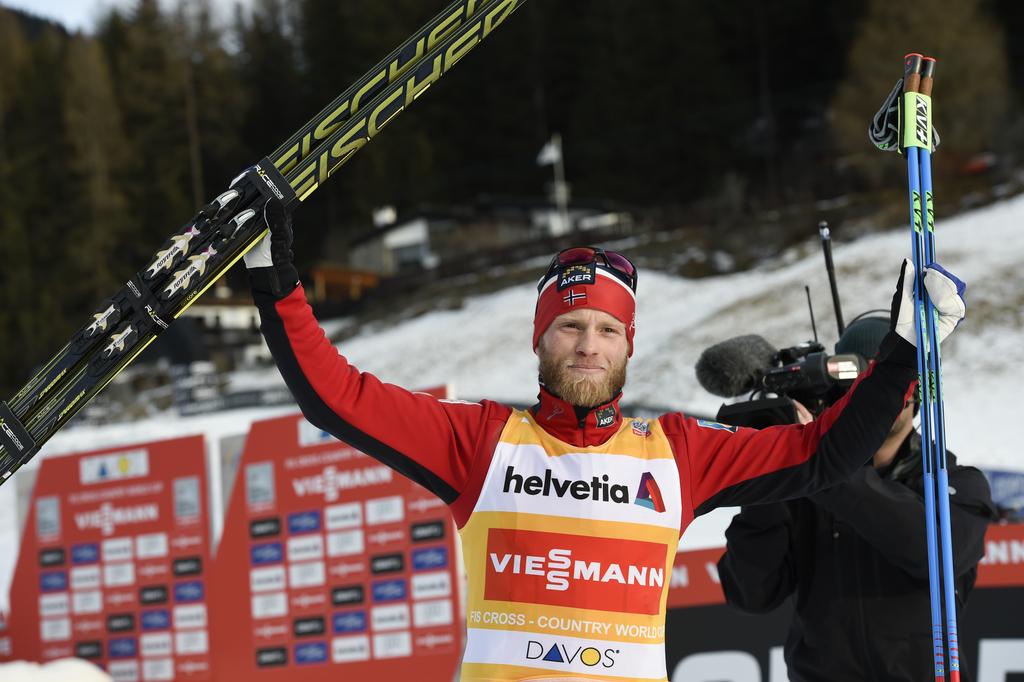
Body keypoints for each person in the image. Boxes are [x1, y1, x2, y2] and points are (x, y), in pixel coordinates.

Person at [243, 199, 967, 682]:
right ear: (541, 339)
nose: (588, 345)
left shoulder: (677, 452)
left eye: (607, 330)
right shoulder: (481, 442)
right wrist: (276, 284)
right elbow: (338, 397)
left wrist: (904, 353)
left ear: (627, 346)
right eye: (571, 326)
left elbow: (825, 456)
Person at [717, 313, 998, 682]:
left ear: (918, 390)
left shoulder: (958, 484)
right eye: (863, 383)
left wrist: (823, 462)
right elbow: (751, 594)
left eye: (888, 379)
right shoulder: (805, 486)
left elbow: (931, 552)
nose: (876, 395)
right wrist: (769, 468)